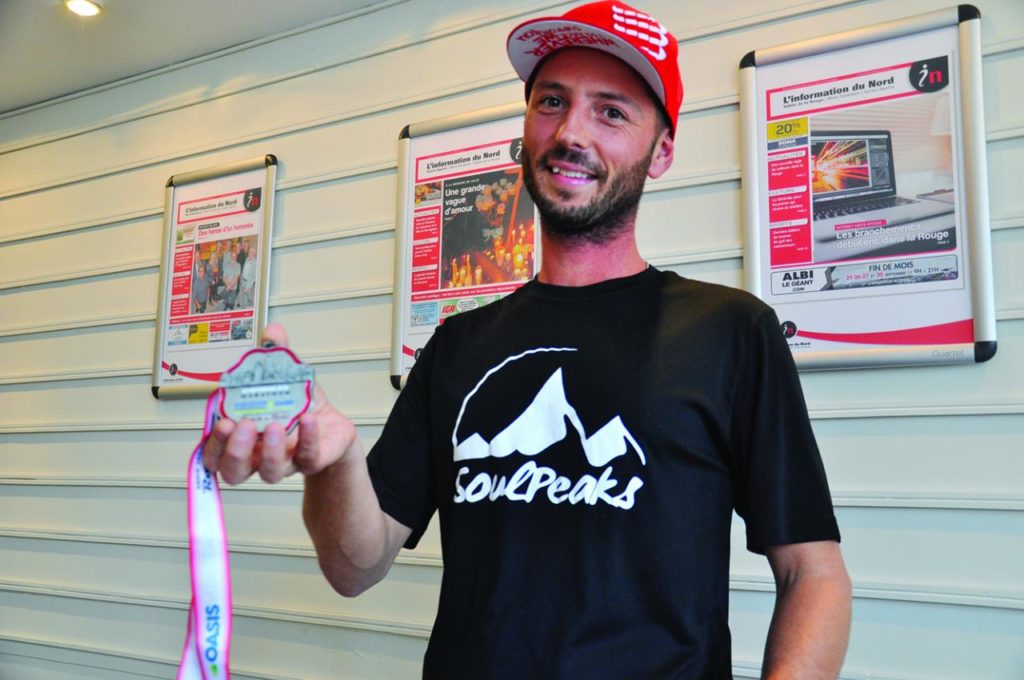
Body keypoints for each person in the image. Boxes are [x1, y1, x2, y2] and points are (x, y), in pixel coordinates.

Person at [203, 2, 851, 677]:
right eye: (550, 101)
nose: (571, 131)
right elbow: (353, 566)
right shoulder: (457, 346)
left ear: (661, 152)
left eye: (611, 111)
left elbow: (815, 575)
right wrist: (333, 463)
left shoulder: (729, 331)